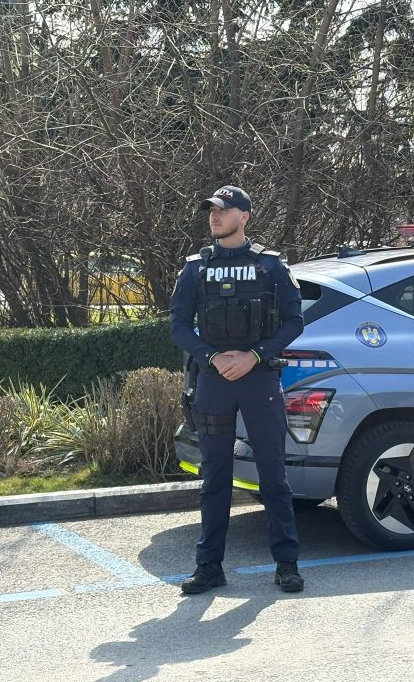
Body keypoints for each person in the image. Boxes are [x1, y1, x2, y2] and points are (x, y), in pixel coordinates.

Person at [169, 184, 305, 594]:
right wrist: (211, 357)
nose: (214, 216)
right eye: (211, 210)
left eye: (222, 210)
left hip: (259, 380)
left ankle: (286, 564)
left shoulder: (271, 266)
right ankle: (209, 566)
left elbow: (293, 322)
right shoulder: (195, 269)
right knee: (214, 477)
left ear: (243, 217)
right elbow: (178, 326)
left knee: (273, 475)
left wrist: (255, 356)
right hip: (214, 382)